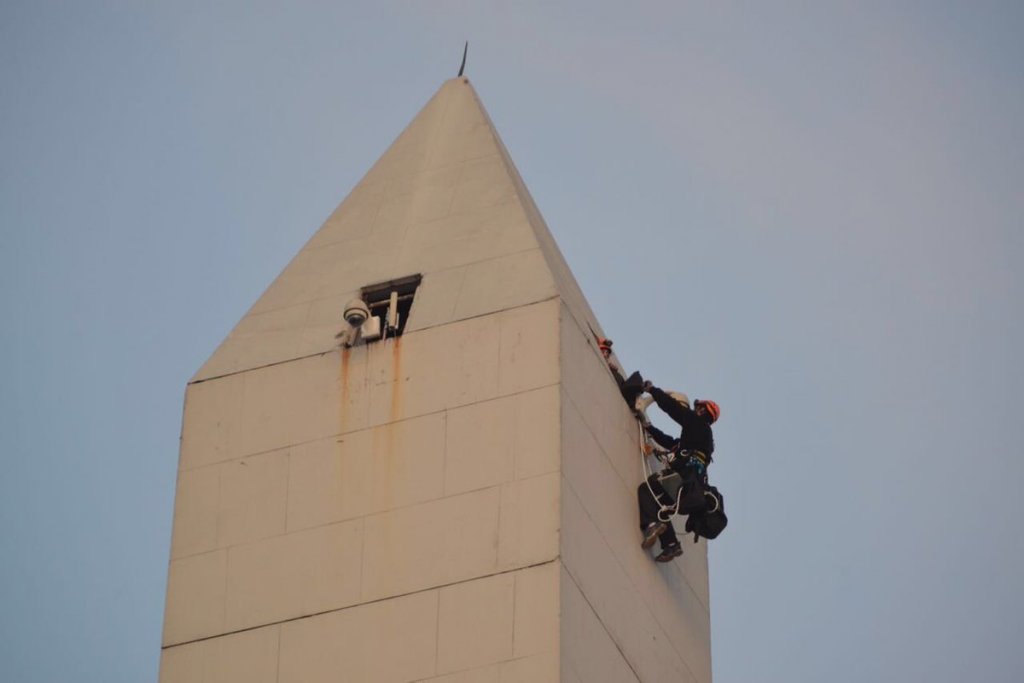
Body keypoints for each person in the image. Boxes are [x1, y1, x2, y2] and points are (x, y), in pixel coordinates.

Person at [636, 383, 720, 562]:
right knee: (661, 505)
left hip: (685, 482)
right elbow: (671, 443)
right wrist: (648, 427)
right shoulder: (700, 440)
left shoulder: (698, 424)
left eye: (697, 408)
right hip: (690, 490)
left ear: (702, 412)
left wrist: (652, 390)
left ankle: (652, 525)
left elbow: (672, 408)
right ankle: (671, 544)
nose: (693, 410)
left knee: (647, 489)